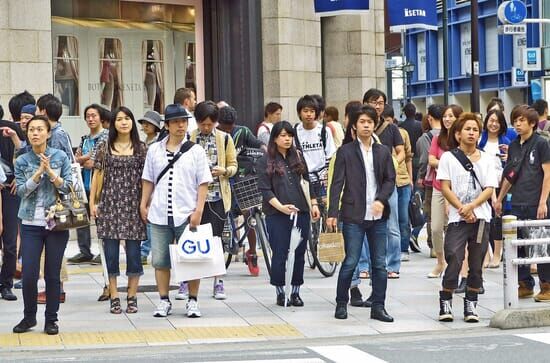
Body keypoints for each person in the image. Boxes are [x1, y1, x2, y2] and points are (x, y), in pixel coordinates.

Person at [141, 103, 212, 318]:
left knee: (192, 259)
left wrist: (198, 210)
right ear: (167, 125)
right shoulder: (154, 149)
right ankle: (164, 300)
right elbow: (148, 179)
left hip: (186, 212)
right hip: (159, 212)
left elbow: (203, 182)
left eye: (184, 121)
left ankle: (192, 300)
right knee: (160, 260)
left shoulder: (196, 150)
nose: (181, 126)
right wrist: (143, 203)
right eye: (176, 122)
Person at [328, 105, 395, 322]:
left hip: (378, 217)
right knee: (351, 260)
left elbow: (389, 180)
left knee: (379, 264)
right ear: (355, 126)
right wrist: (332, 212)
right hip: (353, 215)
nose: (366, 125)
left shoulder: (383, 151)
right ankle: (341, 303)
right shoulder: (345, 152)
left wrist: (380, 200)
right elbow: (336, 184)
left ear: (375, 125)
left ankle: (378, 306)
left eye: (370, 122)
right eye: (362, 122)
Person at [12, 115, 72, 335]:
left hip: (56, 223)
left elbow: (68, 188)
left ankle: (51, 320)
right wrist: (37, 174)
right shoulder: (22, 160)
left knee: (52, 274)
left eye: (39, 129)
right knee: (28, 274)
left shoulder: (61, 156)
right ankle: (29, 317)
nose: (35, 133)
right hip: (30, 223)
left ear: (48, 133)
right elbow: (19, 191)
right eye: (31, 130)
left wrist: (51, 174)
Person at [436, 113, 497, 323]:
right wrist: (462, 208)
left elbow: (490, 188)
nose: (472, 133)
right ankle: (446, 298)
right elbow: (445, 186)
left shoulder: (487, 158)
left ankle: (471, 305)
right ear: (458, 133)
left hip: (481, 218)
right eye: (468, 129)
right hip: (457, 217)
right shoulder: (448, 158)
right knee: (453, 255)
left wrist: (472, 206)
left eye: (476, 130)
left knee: (476, 262)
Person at [90, 107, 147, 314]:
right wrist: (92, 203)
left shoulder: (141, 148)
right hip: (109, 204)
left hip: (134, 205)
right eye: (119, 119)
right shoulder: (104, 148)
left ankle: (132, 296)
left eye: (127, 118)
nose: (124, 122)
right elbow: (96, 176)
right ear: (113, 123)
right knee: (111, 253)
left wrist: (146, 204)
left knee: (134, 253)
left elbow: (147, 180)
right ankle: (114, 295)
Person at [257, 121, 320, 306]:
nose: (287, 139)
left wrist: (314, 204)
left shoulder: (298, 157)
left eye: (290, 135)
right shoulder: (265, 161)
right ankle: (280, 291)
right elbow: (265, 190)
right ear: (275, 138)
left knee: (300, 252)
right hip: (277, 214)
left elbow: (309, 182)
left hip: (301, 211)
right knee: (280, 253)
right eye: (283, 135)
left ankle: (295, 291)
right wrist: (281, 207)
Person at [495, 105, 550, 302]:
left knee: (540, 244)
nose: (517, 124)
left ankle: (547, 285)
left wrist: (543, 201)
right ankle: (524, 284)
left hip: (537, 202)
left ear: (532, 123)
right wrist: (500, 199)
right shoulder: (514, 145)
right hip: (518, 201)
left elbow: (547, 175)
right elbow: (510, 175)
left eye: (521, 121)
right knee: (518, 245)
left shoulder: (542, 144)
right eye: (515, 121)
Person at [189, 101, 237, 300]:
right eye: (203, 124)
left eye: (210, 124)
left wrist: (224, 171)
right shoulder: (189, 138)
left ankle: (218, 281)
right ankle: (187, 281)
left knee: (216, 242)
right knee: (192, 241)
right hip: (193, 199)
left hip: (217, 197)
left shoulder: (225, 139)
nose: (206, 128)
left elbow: (233, 165)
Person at [217, 104, 265, 276]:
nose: (228, 130)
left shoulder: (243, 132)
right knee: (224, 215)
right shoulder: (215, 136)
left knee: (249, 213)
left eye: (230, 127)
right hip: (222, 180)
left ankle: (252, 253)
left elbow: (259, 144)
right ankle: (229, 244)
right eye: (224, 127)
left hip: (242, 178)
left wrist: (267, 153)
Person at [363, 88, 402, 279]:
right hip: (366, 182)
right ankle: (367, 265)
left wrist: (392, 164)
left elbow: (401, 151)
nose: (377, 106)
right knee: (365, 223)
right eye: (373, 102)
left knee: (391, 224)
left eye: (380, 103)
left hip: (387, 181)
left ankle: (393, 264)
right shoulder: (360, 125)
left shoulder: (391, 128)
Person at [67, 104, 109, 265]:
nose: (91, 119)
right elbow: (78, 158)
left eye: (94, 115)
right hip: (83, 184)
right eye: (88, 116)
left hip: (99, 185)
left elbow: (98, 159)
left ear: (101, 118)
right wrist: (84, 159)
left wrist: (85, 159)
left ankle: (104, 251)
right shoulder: (85, 139)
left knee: (102, 220)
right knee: (81, 219)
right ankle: (85, 251)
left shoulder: (106, 136)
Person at [0, 92, 30, 301]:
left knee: (10, 240)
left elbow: (25, 157)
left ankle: (6, 284)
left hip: (9, 189)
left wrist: (17, 179)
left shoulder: (11, 130)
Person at [428, 104, 462, 278]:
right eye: (445, 116)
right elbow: (431, 160)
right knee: (435, 228)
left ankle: (452, 263)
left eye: (451, 116)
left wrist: (442, 162)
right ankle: (440, 261)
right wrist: (448, 163)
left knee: (454, 228)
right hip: (439, 188)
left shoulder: (461, 138)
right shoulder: (437, 138)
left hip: (458, 190)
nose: (447, 119)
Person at [478, 110, 510, 268]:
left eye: (497, 121)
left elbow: (513, 166)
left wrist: (508, 157)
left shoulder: (506, 141)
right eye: (491, 120)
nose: (493, 124)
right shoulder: (480, 141)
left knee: (498, 219)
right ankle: (485, 255)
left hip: (502, 185)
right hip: (483, 185)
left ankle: (497, 254)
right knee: (484, 221)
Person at [382, 105, 413, 262]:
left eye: (389, 120)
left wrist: (411, 178)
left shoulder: (400, 132)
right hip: (389, 180)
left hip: (402, 180)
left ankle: (403, 248)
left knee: (402, 218)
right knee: (388, 221)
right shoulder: (374, 132)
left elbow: (407, 156)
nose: (386, 123)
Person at [399, 102, 423, 182]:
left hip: (405, 157)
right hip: (418, 156)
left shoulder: (401, 126)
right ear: (415, 112)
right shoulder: (420, 125)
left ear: (405, 113)